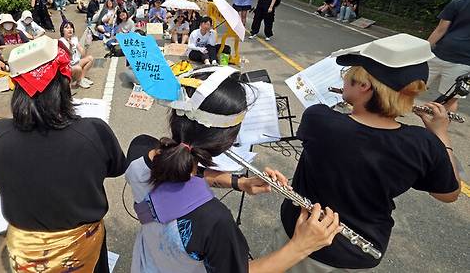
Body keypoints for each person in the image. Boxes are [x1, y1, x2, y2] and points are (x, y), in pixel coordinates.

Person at [126, 66, 341, 273]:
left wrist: (239, 182)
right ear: (227, 141)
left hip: (147, 262)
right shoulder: (215, 221)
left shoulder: (140, 152)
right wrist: (301, 246)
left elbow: (180, 172)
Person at [274, 34, 460, 272]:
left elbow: (344, 126)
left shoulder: (319, 119)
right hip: (360, 251)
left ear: (364, 86)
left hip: (300, 235)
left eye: (347, 77)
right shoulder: (423, 143)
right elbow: (449, 193)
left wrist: (348, 106)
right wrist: (441, 134)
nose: (343, 82)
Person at [0, 38, 125, 272]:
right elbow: (116, 167)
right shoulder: (93, 131)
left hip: (25, 252)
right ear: (64, 83)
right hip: (82, 246)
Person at [427, 0, 470, 112]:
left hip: (441, 54)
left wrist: (424, 50)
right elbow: (440, 29)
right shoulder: (459, 2)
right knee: (450, 99)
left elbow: (440, 30)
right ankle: (439, 129)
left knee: (411, 86)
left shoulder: (459, 1)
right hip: (462, 62)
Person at [59, 21, 94, 89]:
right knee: (78, 68)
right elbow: (66, 59)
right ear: (62, 31)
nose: (70, 29)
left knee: (90, 58)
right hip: (68, 67)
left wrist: (86, 45)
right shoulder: (61, 41)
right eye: (67, 28)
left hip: (76, 63)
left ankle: (81, 79)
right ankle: (78, 80)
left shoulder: (74, 39)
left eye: (71, 27)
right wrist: (70, 47)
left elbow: (83, 54)